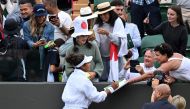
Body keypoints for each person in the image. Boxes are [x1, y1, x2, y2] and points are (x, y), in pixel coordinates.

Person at [93, 2, 128, 82]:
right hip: (102, 58)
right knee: (102, 80)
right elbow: (97, 44)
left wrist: (108, 34)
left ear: (110, 13)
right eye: (101, 15)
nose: (103, 17)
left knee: (116, 79)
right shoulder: (97, 26)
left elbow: (120, 42)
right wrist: (92, 40)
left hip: (116, 57)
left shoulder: (117, 22)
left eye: (105, 14)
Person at [64, 17, 103, 82]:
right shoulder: (70, 50)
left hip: (93, 80)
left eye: (86, 35)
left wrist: (95, 73)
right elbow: (68, 68)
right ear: (76, 36)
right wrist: (78, 76)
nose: (85, 37)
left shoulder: (94, 46)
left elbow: (99, 63)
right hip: (76, 81)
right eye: (82, 35)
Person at [23, 4, 54, 81]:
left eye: (43, 15)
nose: (41, 18)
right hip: (31, 57)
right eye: (38, 16)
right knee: (30, 80)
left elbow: (52, 42)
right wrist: (34, 45)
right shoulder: (26, 25)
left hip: (44, 57)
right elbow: (27, 39)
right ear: (34, 15)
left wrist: (46, 45)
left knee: (42, 80)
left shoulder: (50, 26)